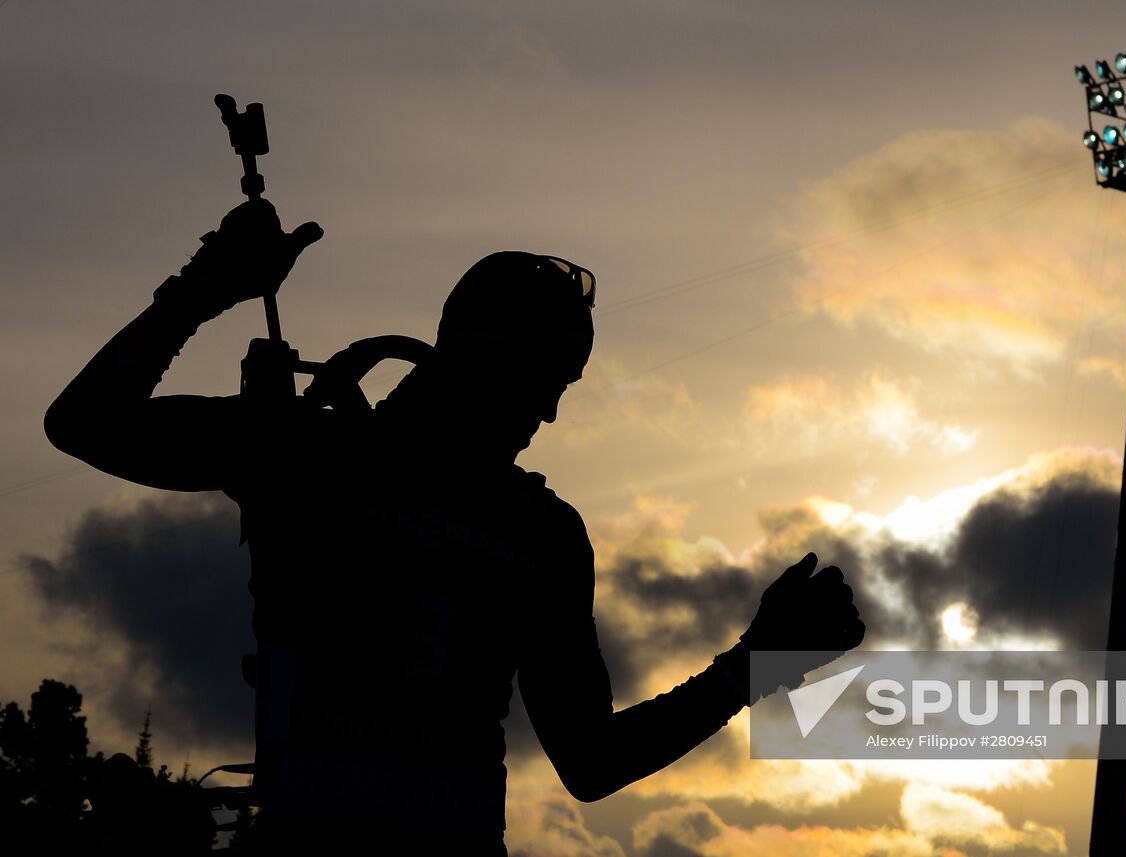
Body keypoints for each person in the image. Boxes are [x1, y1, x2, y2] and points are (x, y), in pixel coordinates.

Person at [44, 199, 865, 851]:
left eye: (563, 386)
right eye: (543, 378)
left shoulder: (308, 449)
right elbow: (591, 763)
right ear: (481, 356)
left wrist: (202, 288)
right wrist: (748, 669)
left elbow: (86, 421)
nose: (547, 410)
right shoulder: (512, 523)